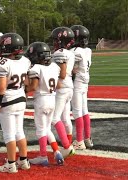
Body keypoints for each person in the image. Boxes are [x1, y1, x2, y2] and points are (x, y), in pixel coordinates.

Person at [0, 33, 31, 173]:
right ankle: (24, 160)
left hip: (8, 100)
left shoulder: (2, 64)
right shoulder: (25, 61)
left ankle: (11, 164)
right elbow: (27, 82)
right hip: (21, 98)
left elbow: (2, 87)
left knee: (9, 134)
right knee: (19, 131)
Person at [25, 42, 64, 165]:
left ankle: (43, 156)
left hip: (42, 100)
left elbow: (34, 86)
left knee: (41, 130)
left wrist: (24, 89)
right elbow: (59, 85)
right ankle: (57, 151)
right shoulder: (54, 67)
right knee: (47, 129)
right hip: (52, 100)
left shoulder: (36, 68)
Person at [50, 27, 76, 158]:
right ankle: (69, 144)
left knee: (54, 119)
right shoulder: (70, 52)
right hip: (69, 87)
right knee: (65, 118)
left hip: (62, 87)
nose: (54, 42)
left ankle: (67, 146)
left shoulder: (60, 52)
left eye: (56, 39)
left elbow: (63, 73)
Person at [70, 25, 93, 150]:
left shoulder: (76, 51)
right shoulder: (88, 50)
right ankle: (87, 138)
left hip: (78, 82)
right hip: (85, 82)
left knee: (77, 111)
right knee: (85, 110)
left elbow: (68, 63)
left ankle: (79, 140)